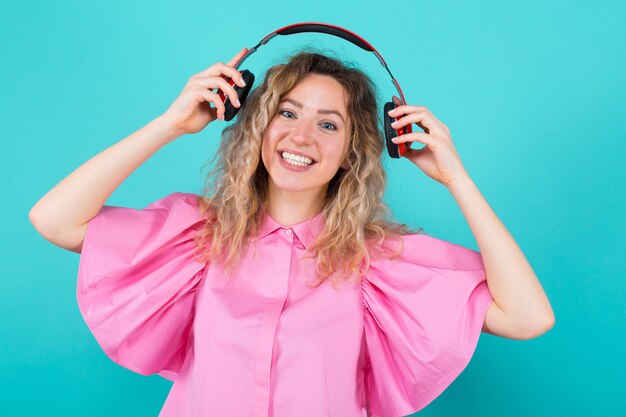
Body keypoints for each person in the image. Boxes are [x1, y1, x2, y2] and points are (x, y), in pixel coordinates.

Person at [29, 46, 555, 417]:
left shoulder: (379, 262)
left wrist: (455, 177)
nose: (301, 136)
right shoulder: (197, 236)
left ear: (352, 152)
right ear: (259, 125)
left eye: (328, 123)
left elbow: (529, 317)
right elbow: (53, 219)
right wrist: (171, 123)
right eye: (287, 112)